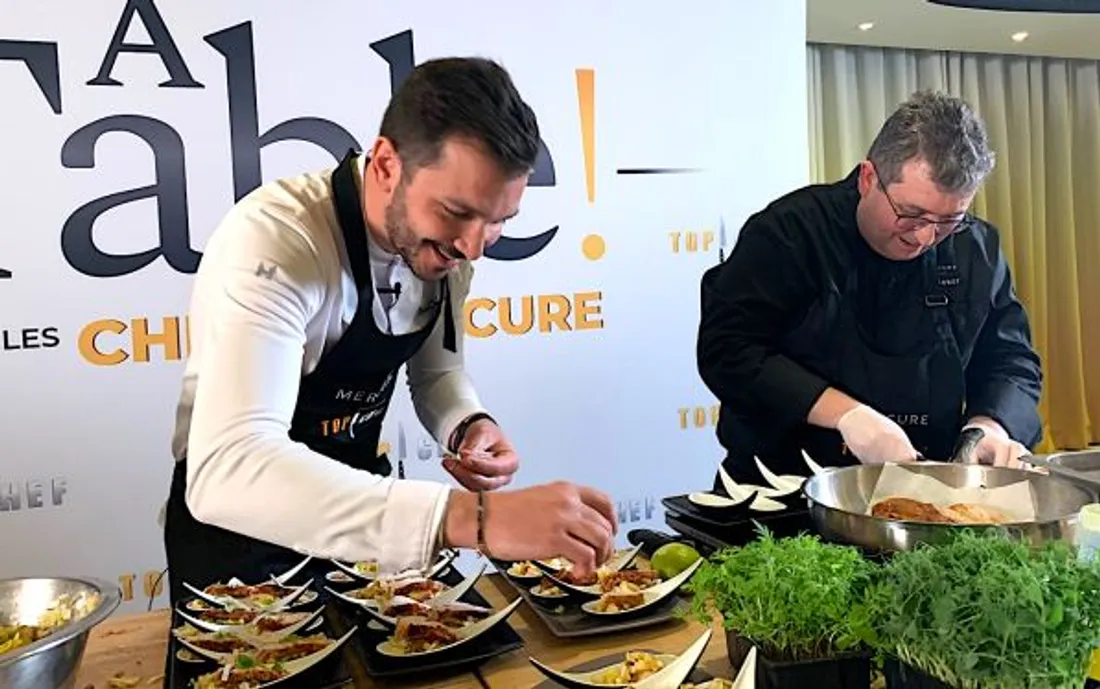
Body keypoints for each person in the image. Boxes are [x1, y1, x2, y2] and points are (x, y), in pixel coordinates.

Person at [162, 57, 617, 605]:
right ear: (384, 165)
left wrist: (465, 423)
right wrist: (473, 518)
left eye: (500, 220)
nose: (474, 245)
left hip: (363, 518)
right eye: (457, 211)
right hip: (241, 545)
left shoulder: (448, 248)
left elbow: (438, 371)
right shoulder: (276, 241)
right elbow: (230, 469)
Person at [697, 90, 1043, 484]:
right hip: (785, 486)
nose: (925, 237)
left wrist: (990, 426)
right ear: (867, 178)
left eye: (949, 220)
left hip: (928, 487)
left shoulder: (975, 249)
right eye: (910, 214)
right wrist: (847, 415)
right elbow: (729, 349)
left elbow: (1011, 359)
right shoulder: (790, 233)